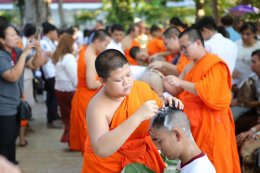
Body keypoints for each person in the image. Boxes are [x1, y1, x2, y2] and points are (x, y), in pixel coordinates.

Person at [81, 49, 184, 173]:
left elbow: (157, 110)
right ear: (103, 82)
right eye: (119, 80)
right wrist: (137, 117)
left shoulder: (140, 88)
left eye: (129, 75)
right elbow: (101, 149)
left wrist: (168, 104)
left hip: (140, 161)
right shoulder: (97, 107)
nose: (127, 82)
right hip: (108, 165)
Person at [164, 28, 241, 173]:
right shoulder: (189, 66)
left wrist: (180, 83)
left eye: (185, 47)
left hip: (213, 124)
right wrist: (164, 80)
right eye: (181, 48)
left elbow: (212, 93)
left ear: (198, 43)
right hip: (194, 124)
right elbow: (176, 90)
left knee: (217, 163)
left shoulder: (214, 63)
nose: (183, 52)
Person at [0, 24, 43, 164]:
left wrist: (38, 49)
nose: (16, 37)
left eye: (16, 34)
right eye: (12, 35)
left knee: (11, 140)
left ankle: (11, 164)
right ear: (1, 40)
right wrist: (24, 53)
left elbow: (35, 64)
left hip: (15, 104)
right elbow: (12, 76)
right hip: (3, 107)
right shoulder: (1, 56)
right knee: (5, 144)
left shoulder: (16, 51)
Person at [70, 30, 110, 152]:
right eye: (105, 44)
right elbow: (91, 83)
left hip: (82, 95)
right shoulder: (92, 58)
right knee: (89, 134)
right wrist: (110, 81)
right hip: (87, 98)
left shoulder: (84, 50)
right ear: (97, 41)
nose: (105, 48)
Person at [150, 106, 216, 173]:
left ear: (177, 135)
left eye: (160, 141)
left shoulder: (200, 170)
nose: (157, 148)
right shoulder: (186, 163)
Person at [52, 33, 77, 143]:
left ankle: (69, 138)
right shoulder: (68, 57)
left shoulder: (59, 56)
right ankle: (72, 139)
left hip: (59, 89)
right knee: (73, 117)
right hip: (68, 90)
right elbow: (74, 77)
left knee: (66, 116)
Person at [40, 21, 61, 128]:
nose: (56, 34)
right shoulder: (44, 43)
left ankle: (53, 118)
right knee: (54, 97)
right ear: (50, 32)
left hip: (53, 72)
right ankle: (52, 119)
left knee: (51, 96)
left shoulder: (50, 42)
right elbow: (53, 55)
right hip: (50, 73)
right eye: (55, 32)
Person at [233, 22, 260, 86]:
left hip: (254, 81)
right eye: (242, 33)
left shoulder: (258, 46)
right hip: (237, 79)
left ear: (255, 33)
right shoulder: (236, 44)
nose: (244, 36)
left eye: (248, 34)